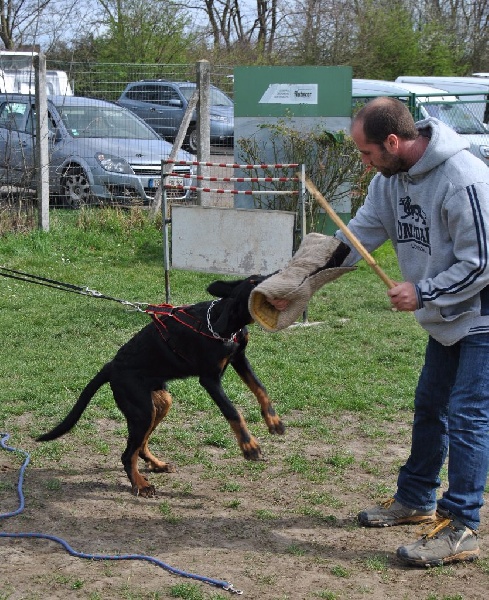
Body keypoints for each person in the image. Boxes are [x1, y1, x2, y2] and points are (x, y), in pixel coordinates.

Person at [271, 96, 489, 567]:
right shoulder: (389, 183)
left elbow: (483, 261)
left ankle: (462, 526)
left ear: (393, 142)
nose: (364, 163)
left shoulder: (463, 178)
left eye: (367, 153)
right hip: (448, 314)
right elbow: (357, 239)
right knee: (431, 405)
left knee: (468, 415)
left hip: (482, 315)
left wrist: (424, 291)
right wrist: (299, 282)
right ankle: (416, 500)